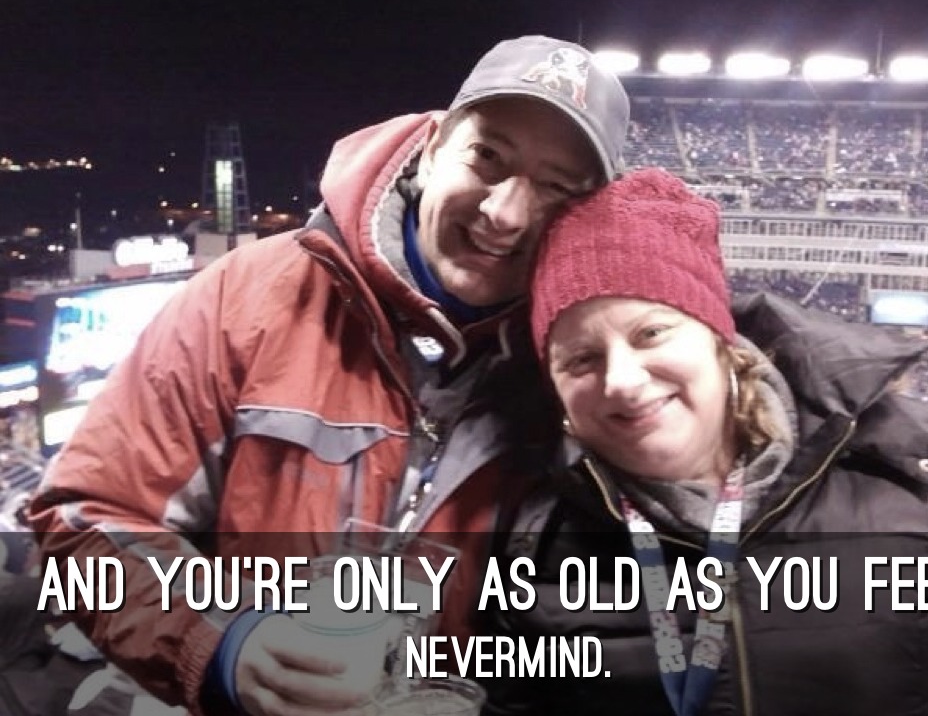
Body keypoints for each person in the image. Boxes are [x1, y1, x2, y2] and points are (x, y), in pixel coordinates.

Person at [28, 35, 629, 715]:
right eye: (487, 156)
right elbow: (83, 516)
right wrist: (225, 644)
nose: (505, 213)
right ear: (434, 146)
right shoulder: (247, 295)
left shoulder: (579, 369)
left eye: (557, 187)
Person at [483, 167, 928, 715]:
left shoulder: (906, 472)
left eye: (650, 333)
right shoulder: (532, 542)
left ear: (720, 339)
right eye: (581, 359)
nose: (622, 380)